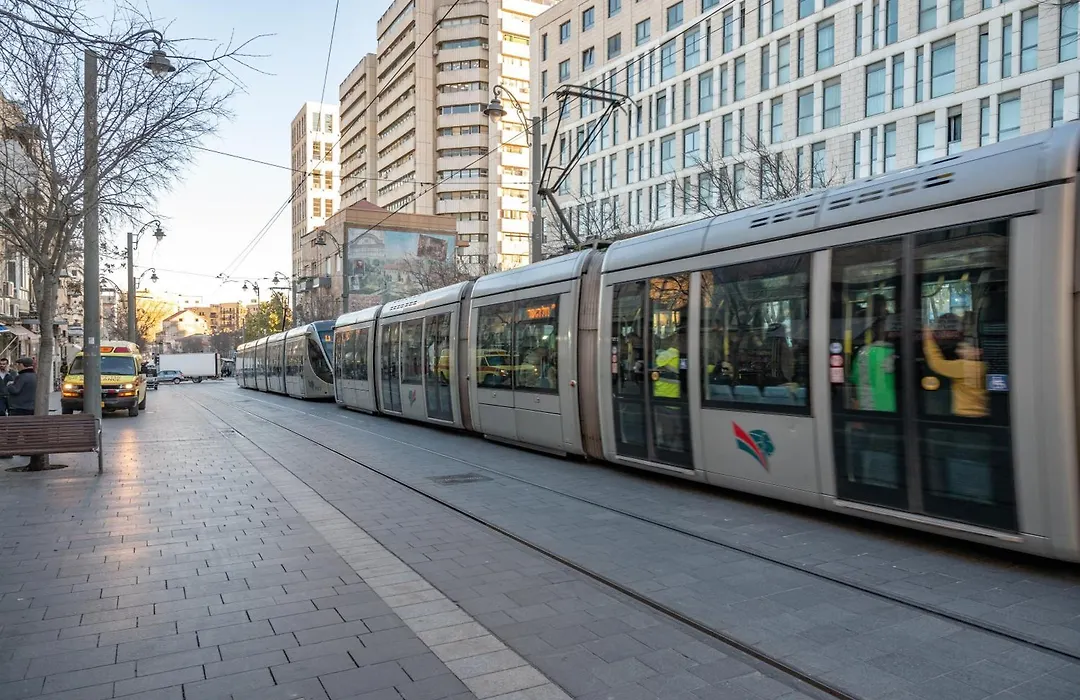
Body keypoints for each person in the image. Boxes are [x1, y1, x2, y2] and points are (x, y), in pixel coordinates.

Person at [923, 327, 988, 418]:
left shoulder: (966, 367)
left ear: (978, 352)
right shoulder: (983, 366)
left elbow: (937, 364)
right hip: (982, 413)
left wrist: (928, 339)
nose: (958, 351)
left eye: (964, 348)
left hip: (966, 415)